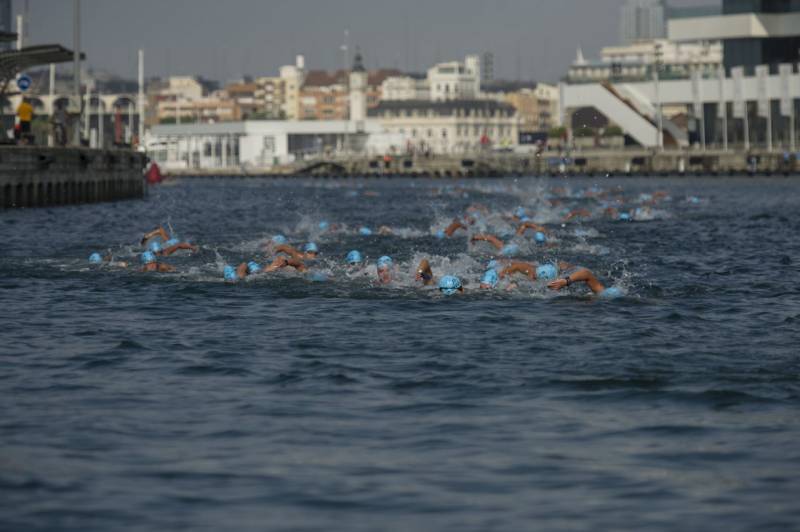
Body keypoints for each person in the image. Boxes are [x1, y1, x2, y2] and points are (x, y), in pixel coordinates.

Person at [546, 267, 623, 298]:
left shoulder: (600, 292)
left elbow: (586, 273)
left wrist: (565, 282)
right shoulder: (600, 291)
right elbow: (586, 273)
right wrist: (565, 281)